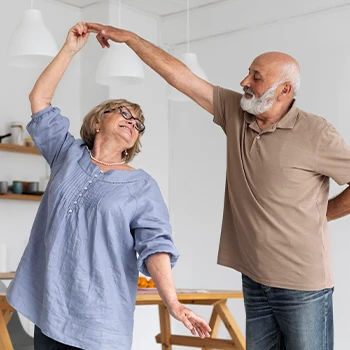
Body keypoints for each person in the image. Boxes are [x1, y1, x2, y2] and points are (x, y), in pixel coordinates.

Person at [86, 22, 350, 350]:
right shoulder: (236, 112)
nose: (244, 82)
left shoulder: (317, 133)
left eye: (256, 76)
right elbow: (180, 77)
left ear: (284, 90)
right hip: (254, 278)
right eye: (248, 73)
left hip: (302, 284)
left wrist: (320, 213)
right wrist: (130, 39)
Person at [6, 22, 211, 350]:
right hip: (50, 310)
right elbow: (40, 98)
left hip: (99, 322)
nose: (133, 122)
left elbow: (156, 245)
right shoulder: (67, 154)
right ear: (98, 120)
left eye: (138, 124)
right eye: (125, 113)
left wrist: (173, 303)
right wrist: (70, 50)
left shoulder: (141, 186)